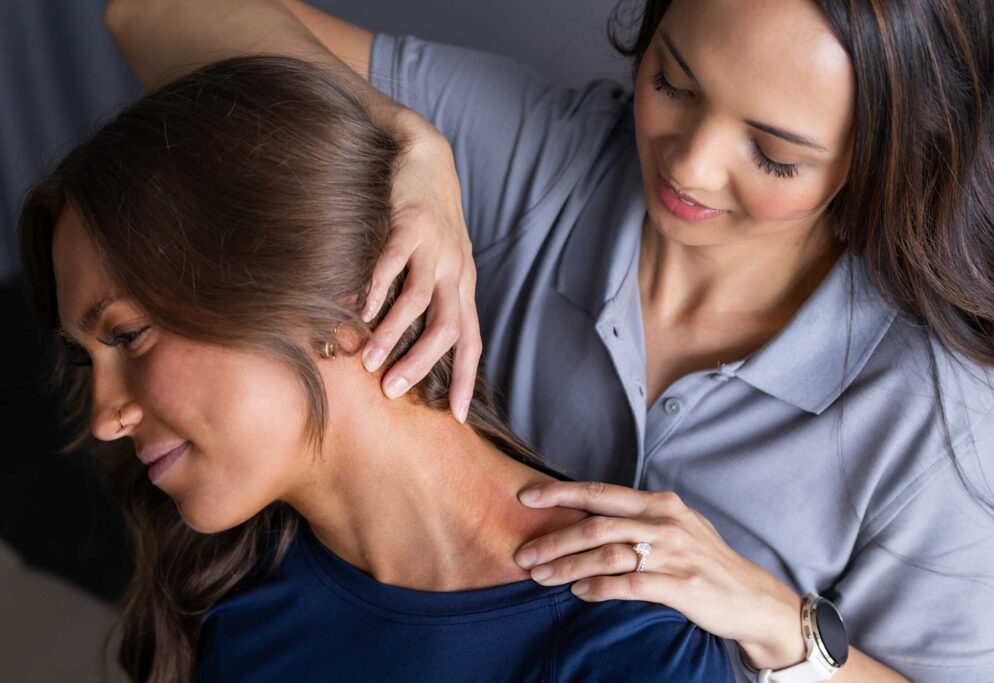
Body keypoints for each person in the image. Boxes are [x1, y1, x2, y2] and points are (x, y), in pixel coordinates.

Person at [104, 0, 994, 680]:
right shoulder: (541, 159)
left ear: (888, 151)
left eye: (774, 153)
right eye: (672, 82)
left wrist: (783, 624)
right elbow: (150, 12)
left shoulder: (936, 417)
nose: (691, 164)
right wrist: (406, 142)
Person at [17, 55, 734, 682]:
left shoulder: (629, 643)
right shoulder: (237, 598)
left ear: (319, 290)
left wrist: (414, 143)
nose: (104, 416)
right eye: (91, 359)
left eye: (131, 335)